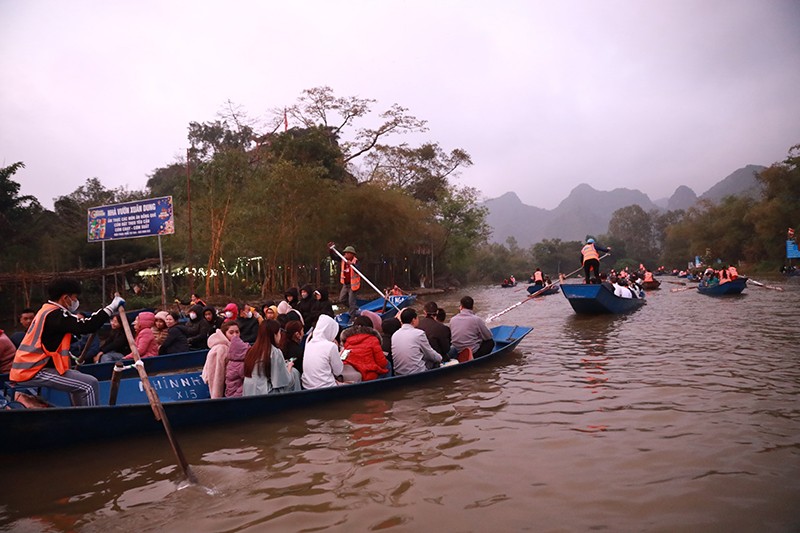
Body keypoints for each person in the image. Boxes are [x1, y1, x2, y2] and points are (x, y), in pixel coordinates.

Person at [9, 277, 125, 406]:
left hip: (32, 368)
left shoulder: (47, 310)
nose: (76, 301)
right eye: (74, 298)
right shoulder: (55, 315)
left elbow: (78, 325)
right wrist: (112, 307)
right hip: (33, 371)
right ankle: (92, 422)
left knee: (79, 383)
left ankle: (79, 418)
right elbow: (88, 326)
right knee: (89, 384)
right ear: (65, 298)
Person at [243, 319, 301, 395]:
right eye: (280, 333)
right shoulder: (274, 352)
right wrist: (289, 368)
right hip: (265, 394)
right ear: (274, 334)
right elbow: (283, 381)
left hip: (249, 392)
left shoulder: (251, 350)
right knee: (294, 373)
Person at [391, 308, 442, 375]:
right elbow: (430, 354)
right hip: (416, 372)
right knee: (435, 360)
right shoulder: (419, 334)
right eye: (417, 318)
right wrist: (440, 358)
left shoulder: (395, 335)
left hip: (399, 373)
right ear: (413, 320)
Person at [339, 315, 389, 382]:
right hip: (369, 375)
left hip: (353, 375)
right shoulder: (373, 339)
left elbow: (343, 358)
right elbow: (382, 363)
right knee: (388, 364)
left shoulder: (347, 340)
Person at [301, 314, 344, 389]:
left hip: (307, 386)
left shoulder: (309, 343)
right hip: (326, 388)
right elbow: (338, 371)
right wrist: (338, 353)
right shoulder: (331, 346)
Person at [202, 321, 240, 398]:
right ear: (224, 334)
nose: (235, 335)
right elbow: (216, 375)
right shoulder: (221, 349)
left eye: (237, 332)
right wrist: (217, 398)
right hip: (224, 392)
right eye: (231, 332)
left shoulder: (234, 347)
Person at [328, 243, 360, 316]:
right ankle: (354, 309)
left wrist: (352, 265)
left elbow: (358, 270)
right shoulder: (343, 259)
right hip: (345, 284)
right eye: (345, 253)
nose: (346, 254)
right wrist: (331, 250)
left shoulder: (356, 261)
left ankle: (352, 317)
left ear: (352, 254)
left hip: (353, 286)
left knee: (351, 301)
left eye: (348, 253)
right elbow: (333, 257)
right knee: (342, 299)